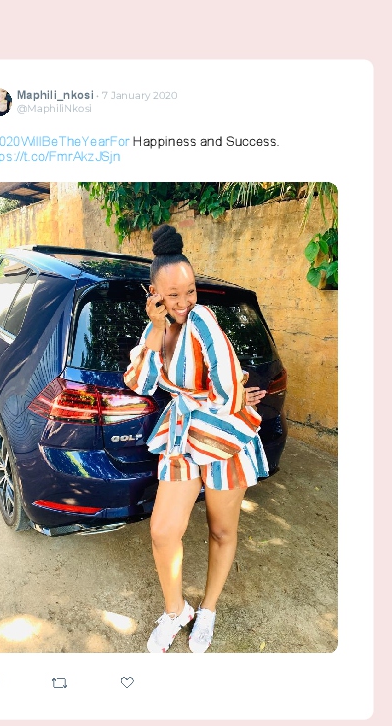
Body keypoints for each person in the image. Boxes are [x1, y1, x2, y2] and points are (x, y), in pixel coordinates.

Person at [123, 224, 269, 653]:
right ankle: (176, 611)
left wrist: (236, 391)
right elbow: (140, 382)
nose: (185, 301)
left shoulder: (202, 318)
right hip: (182, 433)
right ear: (154, 293)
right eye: (173, 295)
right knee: (163, 531)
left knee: (221, 530)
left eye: (190, 291)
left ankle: (208, 609)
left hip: (224, 432)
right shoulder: (154, 331)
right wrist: (155, 328)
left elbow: (224, 380)